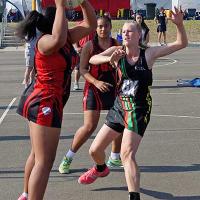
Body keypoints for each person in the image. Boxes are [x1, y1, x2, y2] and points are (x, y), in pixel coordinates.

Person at [78, 7, 187, 200]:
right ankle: (101, 169)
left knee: (127, 154)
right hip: (119, 107)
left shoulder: (148, 55)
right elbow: (93, 59)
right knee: (94, 150)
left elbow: (181, 43)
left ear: (139, 35)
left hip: (138, 109)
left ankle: (134, 196)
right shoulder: (117, 52)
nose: (125, 33)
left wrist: (179, 25)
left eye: (130, 31)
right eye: (123, 32)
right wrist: (107, 57)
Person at [16, 0, 97, 199]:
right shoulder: (45, 41)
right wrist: (61, 5)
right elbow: (58, 39)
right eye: (64, 20)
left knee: (37, 156)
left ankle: (26, 194)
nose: (68, 23)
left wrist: (83, 2)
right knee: (44, 162)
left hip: (47, 101)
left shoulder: (66, 38)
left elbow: (91, 25)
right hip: (45, 102)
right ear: (56, 23)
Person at [59, 15, 123, 175]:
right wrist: (96, 82)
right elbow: (83, 70)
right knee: (89, 127)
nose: (103, 29)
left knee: (119, 124)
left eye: (106, 26)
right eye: (100, 26)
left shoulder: (117, 45)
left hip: (113, 86)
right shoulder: (89, 45)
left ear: (110, 27)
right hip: (94, 86)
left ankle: (115, 157)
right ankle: (68, 157)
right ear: (96, 28)